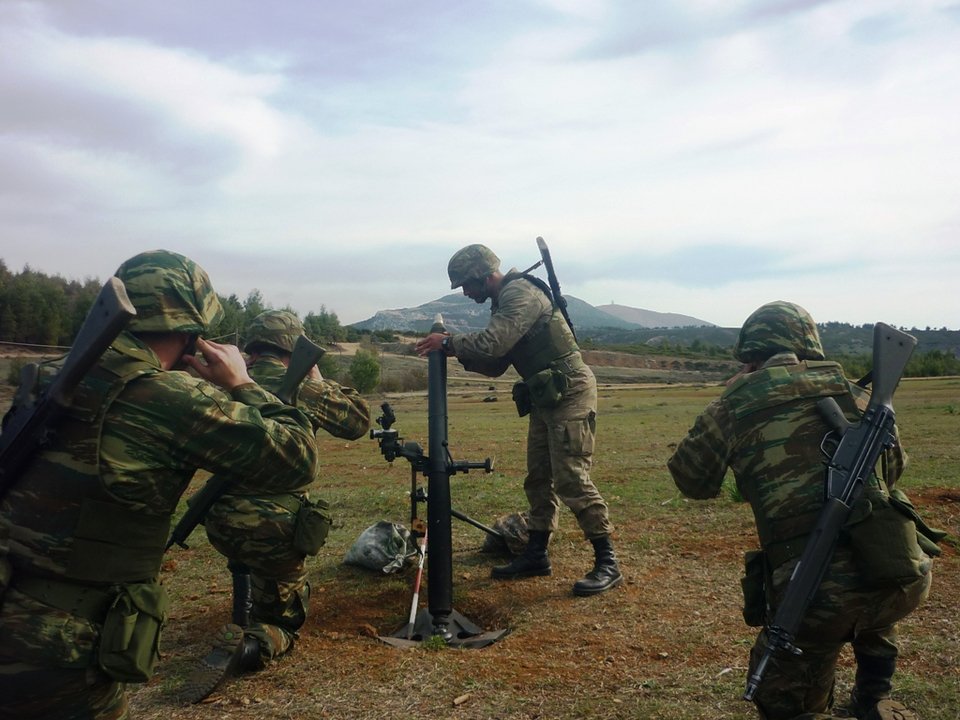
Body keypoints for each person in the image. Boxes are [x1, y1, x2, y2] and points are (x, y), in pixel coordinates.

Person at [0, 250, 319, 720]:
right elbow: (297, 459)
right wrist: (241, 383)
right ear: (191, 333)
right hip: (59, 644)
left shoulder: (51, 375)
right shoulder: (167, 398)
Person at [667, 301, 937, 720]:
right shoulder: (859, 392)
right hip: (901, 574)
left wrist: (730, 400)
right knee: (867, 594)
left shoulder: (737, 401)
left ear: (751, 354)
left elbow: (692, 481)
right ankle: (875, 700)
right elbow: (893, 469)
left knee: (786, 689)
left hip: (813, 600)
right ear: (809, 345)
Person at [415, 244, 622, 596]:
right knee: (539, 478)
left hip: (569, 391)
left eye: (466, 284)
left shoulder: (519, 294)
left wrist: (449, 343)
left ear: (483, 275)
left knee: (571, 478)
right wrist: (455, 350)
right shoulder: (504, 301)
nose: (466, 293)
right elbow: (495, 363)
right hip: (546, 395)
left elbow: (494, 345)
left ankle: (608, 561)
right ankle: (536, 554)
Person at [185, 309, 371, 702]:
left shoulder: (220, 380)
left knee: (247, 555)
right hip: (275, 528)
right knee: (284, 620)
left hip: (217, 518)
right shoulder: (301, 384)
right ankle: (255, 642)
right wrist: (320, 381)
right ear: (295, 347)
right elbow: (358, 422)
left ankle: (245, 608)